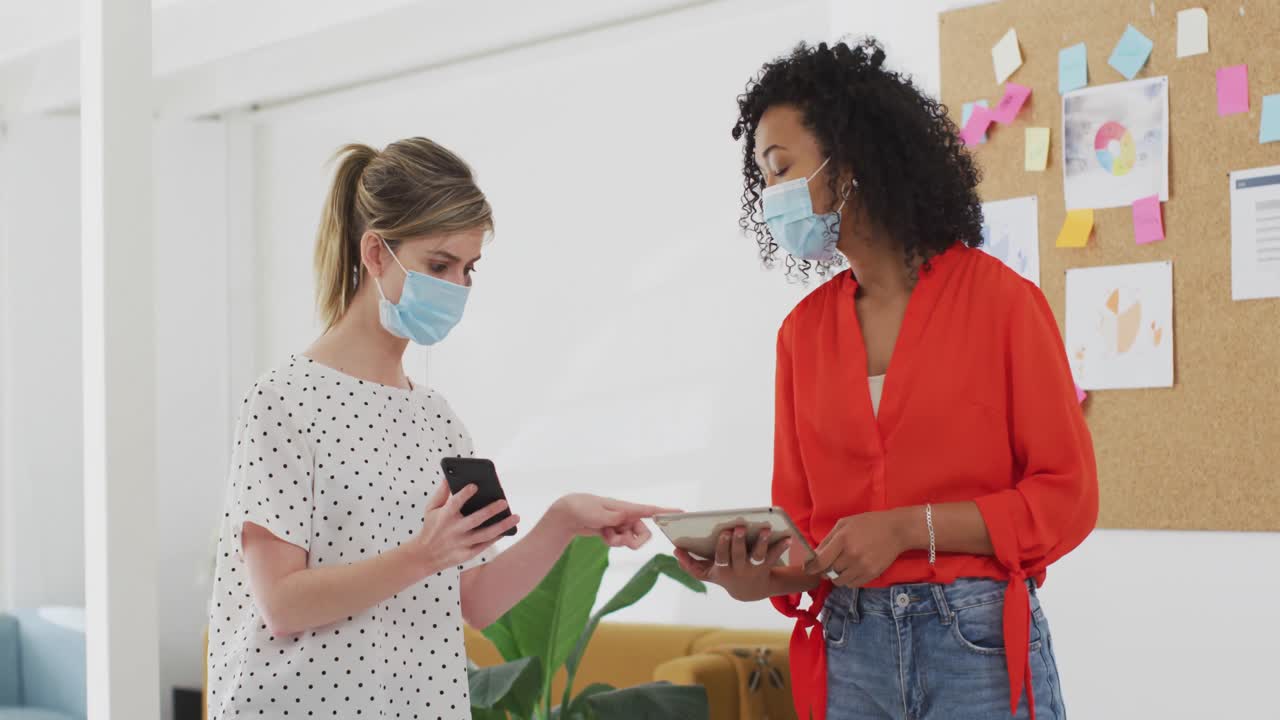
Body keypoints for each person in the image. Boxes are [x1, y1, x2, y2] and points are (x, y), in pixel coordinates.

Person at [675, 40, 1098, 720]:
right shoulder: (801, 335)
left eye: (781, 169)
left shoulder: (1002, 304)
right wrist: (757, 578)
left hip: (975, 644)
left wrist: (909, 529)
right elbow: (807, 533)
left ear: (851, 162)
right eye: (764, 178)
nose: (773, 196)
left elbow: (1065, 499)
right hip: (852, 645)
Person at [206, 138, 670, 719]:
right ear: (376, 254)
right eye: (439, 265)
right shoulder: (283, 401)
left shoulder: (439, 423)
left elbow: (473, 601)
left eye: (469, 269)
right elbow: (281, 603)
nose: (458, 288)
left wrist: (562, 522)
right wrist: (421, 555)